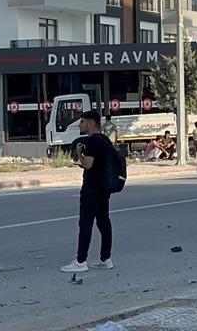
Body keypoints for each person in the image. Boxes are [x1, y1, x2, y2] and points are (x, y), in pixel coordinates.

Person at [60, 111, 115, 273]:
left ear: (91, 123)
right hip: (104, 187)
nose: (80, 125)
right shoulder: (105, 140)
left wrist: (78, 152)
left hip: (92, 188)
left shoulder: (91, 141)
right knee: (103, 222)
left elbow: (88, 165)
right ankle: (106, 259)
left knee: (85, 223)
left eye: (83, 122)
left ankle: (80, 261)